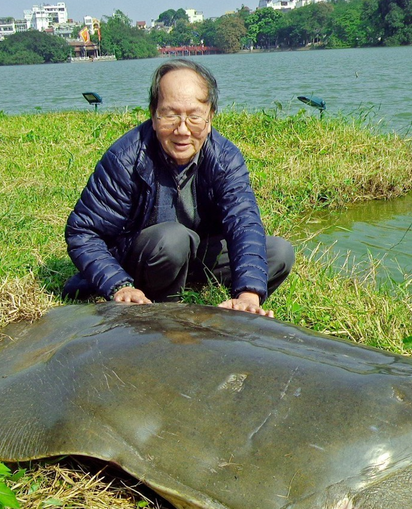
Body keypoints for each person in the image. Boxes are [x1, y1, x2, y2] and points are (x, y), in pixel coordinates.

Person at [64, 60, 294, 317]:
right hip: (139, 260)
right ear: (153, 115)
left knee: (278, 252)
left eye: (194, 116)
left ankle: (204, 294)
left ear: (210, 118)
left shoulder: (225, 158)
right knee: (173, 240)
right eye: (170, 115)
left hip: (196, 255)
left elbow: (244, 223)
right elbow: (83, 232)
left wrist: (249, 294)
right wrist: (119, 285)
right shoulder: (126, 157)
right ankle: (164, 310)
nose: (183, 130)